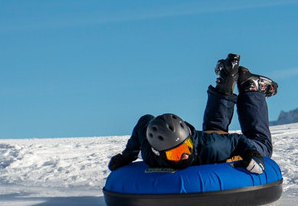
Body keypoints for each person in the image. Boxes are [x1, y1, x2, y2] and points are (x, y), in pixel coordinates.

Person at [107, 54, 278, 174]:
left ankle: (252, 89)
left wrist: (252, 154)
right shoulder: (151, 153)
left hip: (213, 144)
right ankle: (226, 81)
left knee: (263, 147)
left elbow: (237, 141)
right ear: (159, 153)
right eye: (175, 154)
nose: (185, 156)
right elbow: (145, 121)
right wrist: (128, 154)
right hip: (213, 142)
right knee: (215, 132)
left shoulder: (208, 147)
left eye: (185, 147)